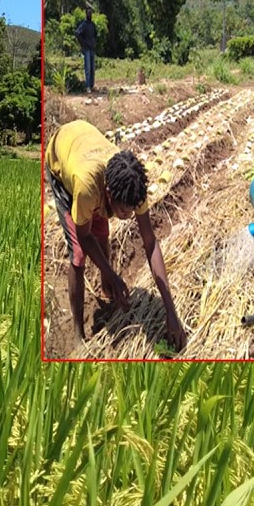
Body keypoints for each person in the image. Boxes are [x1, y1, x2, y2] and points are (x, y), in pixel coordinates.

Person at [47, 119, 186, 352]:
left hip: (86, 143)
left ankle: (107, 290)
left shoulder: (133, 187)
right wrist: (113, 274)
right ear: (109, 194)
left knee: (103, 236)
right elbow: (84, 237)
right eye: (124, 210)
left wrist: (170, 311)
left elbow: (150, 243)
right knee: (79, 256)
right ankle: (78, 333)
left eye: (133, 209)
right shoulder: (86, 187)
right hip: (62, 159)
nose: (129, 214)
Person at [75, 5, 98, 93]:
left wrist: (94, 42)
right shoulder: (83, 24)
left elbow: (96, 34)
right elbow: (77, 33)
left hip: (92, 48)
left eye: (91, 13)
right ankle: (87, 86)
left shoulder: (92, 25)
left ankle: (92, 85)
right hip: (86, 49)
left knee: (92, 68)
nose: (90, 14)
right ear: (86, 14)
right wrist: (83, 43)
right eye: (88, 13)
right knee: (87, 68)